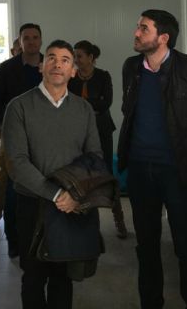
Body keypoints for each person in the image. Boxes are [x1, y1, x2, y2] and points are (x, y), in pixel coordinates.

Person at [118, 9, 187, 309]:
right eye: (137, 26)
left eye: (143, 28)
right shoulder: (131, 67)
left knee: (185, 245)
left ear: (163, 38)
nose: (136, 33)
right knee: (146, 245)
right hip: (139, 170)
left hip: (177, 170)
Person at [3, 39, 103, 309]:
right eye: (51, 58)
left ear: (74, 71)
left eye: (65, 60)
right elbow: (17, 163)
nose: (57, 64)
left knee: (63, 277)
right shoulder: (19, 107)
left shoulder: (83, 109)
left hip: (70, 207)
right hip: (32, 205)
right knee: (33, 277)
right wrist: (58, 194)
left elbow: (94, 157)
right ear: (41, 66)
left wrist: (75, 195)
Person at [0, 23, 43, 255]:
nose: (31, 42)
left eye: (35, 37)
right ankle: (14, 241)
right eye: (26, 38)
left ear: (41, 40)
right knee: (12, 187)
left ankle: (41, 240)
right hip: (14, 137)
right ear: (19, 42)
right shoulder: (7, 68)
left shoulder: (49, 65)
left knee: (41, 186)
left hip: (44, 138)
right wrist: (8, 125)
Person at [68, 40, 128, 239]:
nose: (76, 60)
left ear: (91, 57)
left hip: (102, 131)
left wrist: (83, 104)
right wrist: (91, 104)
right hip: (78, 132)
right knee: (81, 175)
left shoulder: (103, 76)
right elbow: (69, 102)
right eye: (74, 56)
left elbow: (106, 103)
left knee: (106, 174)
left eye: (79, 56)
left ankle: (118, 218)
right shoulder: (72, 78)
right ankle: (84, 223)